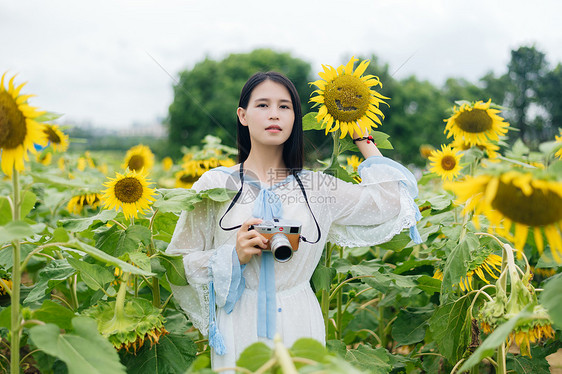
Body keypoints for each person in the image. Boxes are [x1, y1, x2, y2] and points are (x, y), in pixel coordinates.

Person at [166, 71, 421, 371]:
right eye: (263, 105)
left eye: (284, 107)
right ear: (243, 115)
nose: (274, 114)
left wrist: (361, 133)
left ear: (295, 119)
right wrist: (231, 256)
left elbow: (392, 200)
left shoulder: (317, 188)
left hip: (301, 320)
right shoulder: (216, 185)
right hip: (239, 320)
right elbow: (178, 264)